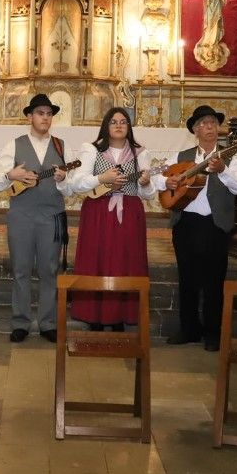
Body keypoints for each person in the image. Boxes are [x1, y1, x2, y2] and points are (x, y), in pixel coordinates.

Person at [147, 104, 237, 351]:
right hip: (187, 223)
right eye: (203, 123)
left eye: (213, 122)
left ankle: (213, 333)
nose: (209, 127)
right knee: (187, 279)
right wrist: (167, 180)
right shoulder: (182, 156)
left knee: (214, 281)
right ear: (195, 130)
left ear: (219, 128)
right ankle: (188, 328)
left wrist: (222, 171)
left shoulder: (233, 155)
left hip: (215, 225)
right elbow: (160, 177)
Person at [0, 93, 73, 343]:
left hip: (51, 216)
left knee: (50, 270)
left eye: (49, 114)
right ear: (29, 116)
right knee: (21, 270)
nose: (45, 118)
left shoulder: (61, 146)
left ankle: (48, 323)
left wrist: (63, 180)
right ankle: (21, 322)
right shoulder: (14, 145)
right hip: (21, 216)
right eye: (40, 113)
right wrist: (10, 175)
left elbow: (72, 188)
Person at [68, 107, 155, 331]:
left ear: (129, 127)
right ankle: (94, 315)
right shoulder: (92, 149)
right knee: (96, 259)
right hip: (98, 211)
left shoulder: (140, 153)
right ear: (106, 126)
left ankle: (119, 316)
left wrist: (145, 183)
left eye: (123, 122)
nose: (118, 125)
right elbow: (77, 183)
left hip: (129, 212)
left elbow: (147, 194)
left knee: (125, 261)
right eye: (113, 121)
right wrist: (101, 178)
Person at [194, 0, 230, 72]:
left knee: (217, 28)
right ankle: (209, 43)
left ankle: (214, 43)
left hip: (217, 13)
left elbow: (225, 1)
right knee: (210, 28)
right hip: (210, 14)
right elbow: (205, 1)